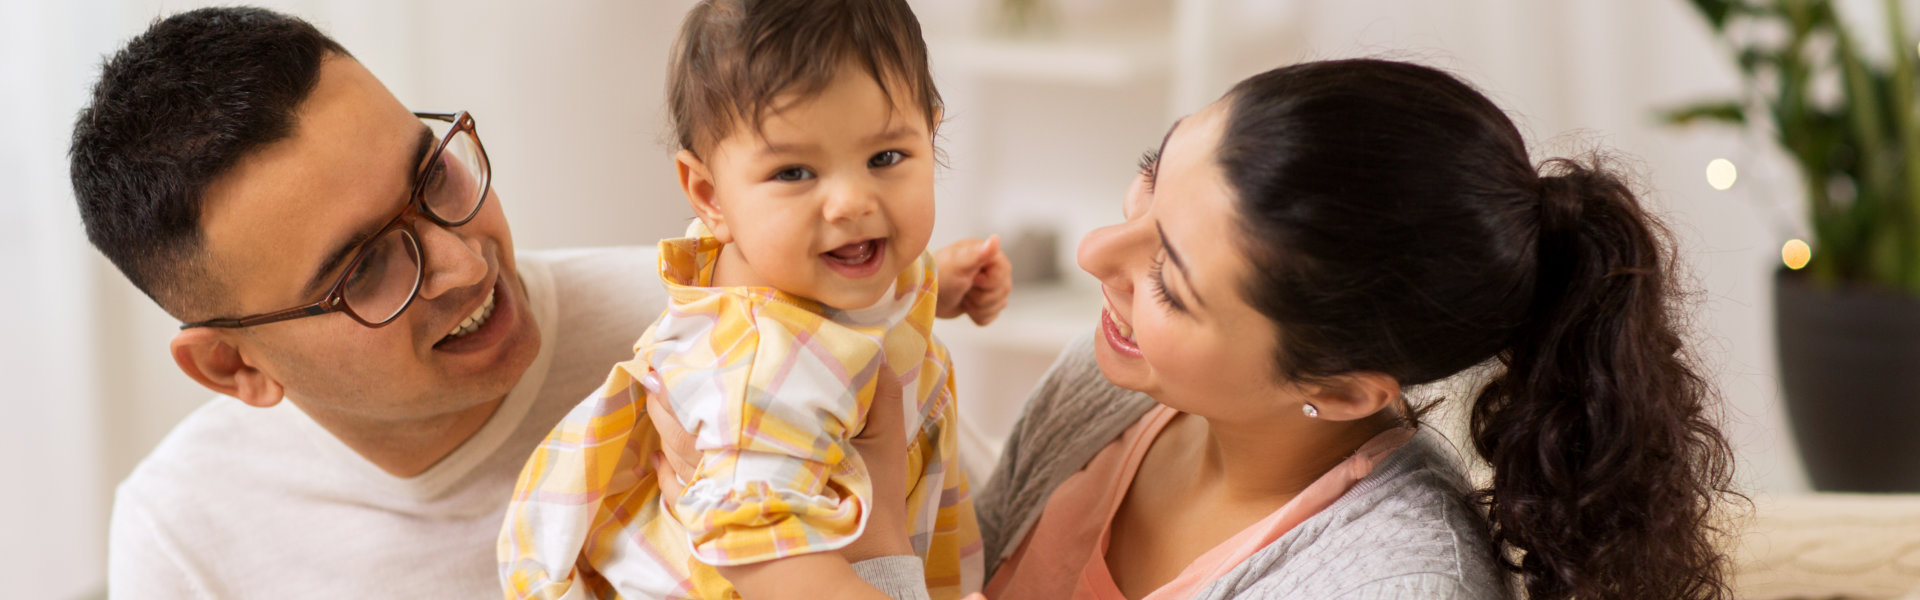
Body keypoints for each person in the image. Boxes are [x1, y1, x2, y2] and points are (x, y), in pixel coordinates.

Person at [662, 58, 1739, 599]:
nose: (1095, 255)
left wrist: (860, 532)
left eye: (1170, 285)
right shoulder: (1115, 391)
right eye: (1148, 180)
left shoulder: (1387, 583)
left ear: (1353, 387)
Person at [73, 7, 1001, 598]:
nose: (465, 264)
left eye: (435, 174)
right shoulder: (186, 532)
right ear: (233, 365)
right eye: (364, 270)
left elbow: (995, 547)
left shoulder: (754, 322)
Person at [498, 1, 1009, 598]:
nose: (851, 202)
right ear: (710, 193)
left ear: (931, 134)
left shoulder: (822, 266)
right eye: (795, 173)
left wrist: (937, 285)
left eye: (885, 158)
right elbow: (762, 555)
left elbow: (871, 303)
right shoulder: (764, 366)